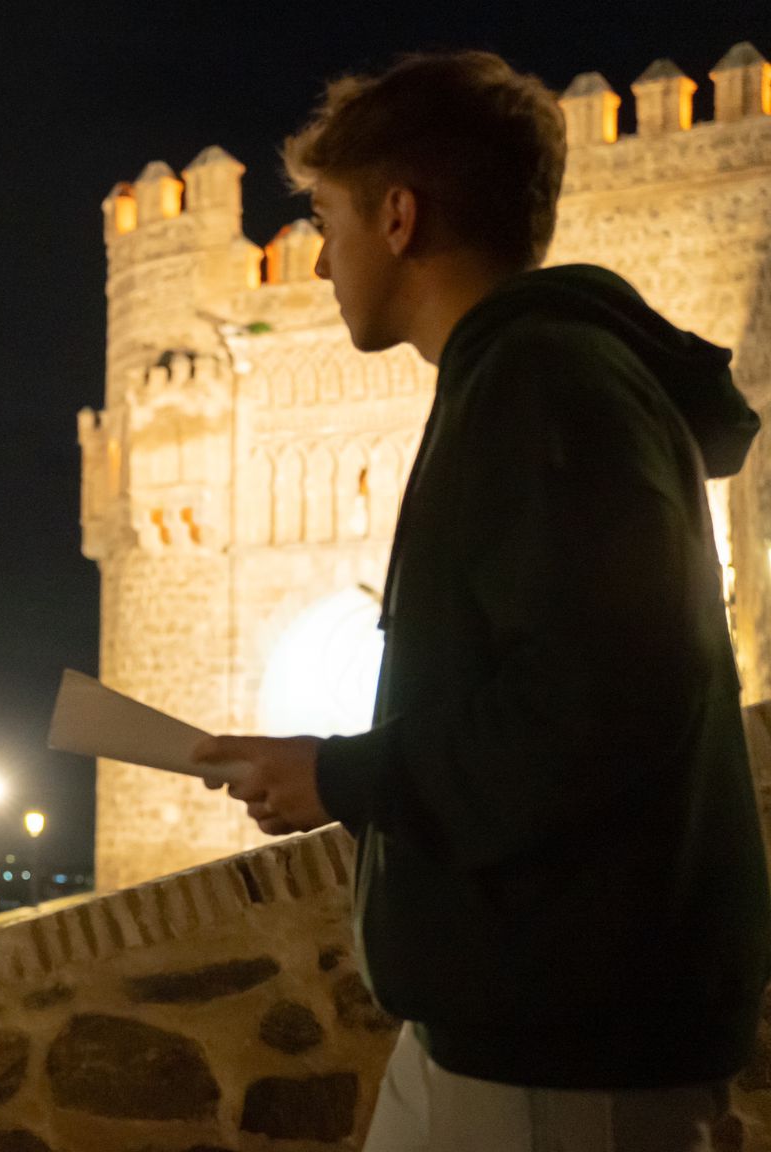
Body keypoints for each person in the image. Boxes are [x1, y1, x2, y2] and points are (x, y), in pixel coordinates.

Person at [193, 52, 770, 1151]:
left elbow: (595, 710)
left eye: (325, 219)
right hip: (491, 1035)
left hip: (560, 1065)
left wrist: (339, 773)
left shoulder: (543, 383)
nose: (316, 261)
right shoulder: (523, 379)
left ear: (398, 216)